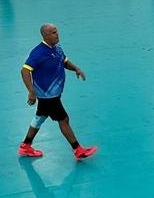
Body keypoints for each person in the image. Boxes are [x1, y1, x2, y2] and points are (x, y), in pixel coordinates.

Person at [18, 23, 98, 161]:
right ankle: (77, 149)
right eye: (53, 32)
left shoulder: (57, 48)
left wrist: (76, 69)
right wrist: (31, 91)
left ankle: (26, 146)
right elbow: (25, 70)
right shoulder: (39, 52)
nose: (57, 34)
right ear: (46, 35)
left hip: (53, 94)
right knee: (64, 119)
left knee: (40, 117)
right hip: (48, 95)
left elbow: (64, 61)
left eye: (57, 31)